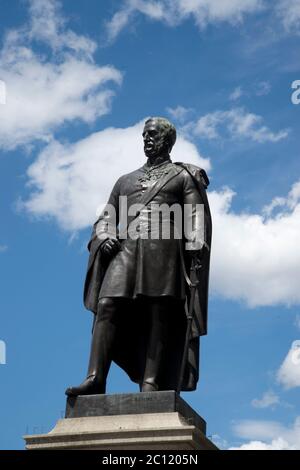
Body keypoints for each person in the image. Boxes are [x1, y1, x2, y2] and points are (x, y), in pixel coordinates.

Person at [65, 117, 212, 396]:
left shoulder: (183, 176)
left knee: (158, 312)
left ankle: (151, 382)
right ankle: (96, 378)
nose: (147, 139)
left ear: (168, 140)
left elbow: (195, 216)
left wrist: (195, 243)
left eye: (153, 134)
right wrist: (105, 235)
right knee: (107, 305)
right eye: (144, 135)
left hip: (164, 249)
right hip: (127, 249)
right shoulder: (125, 180)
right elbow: (105, 218)